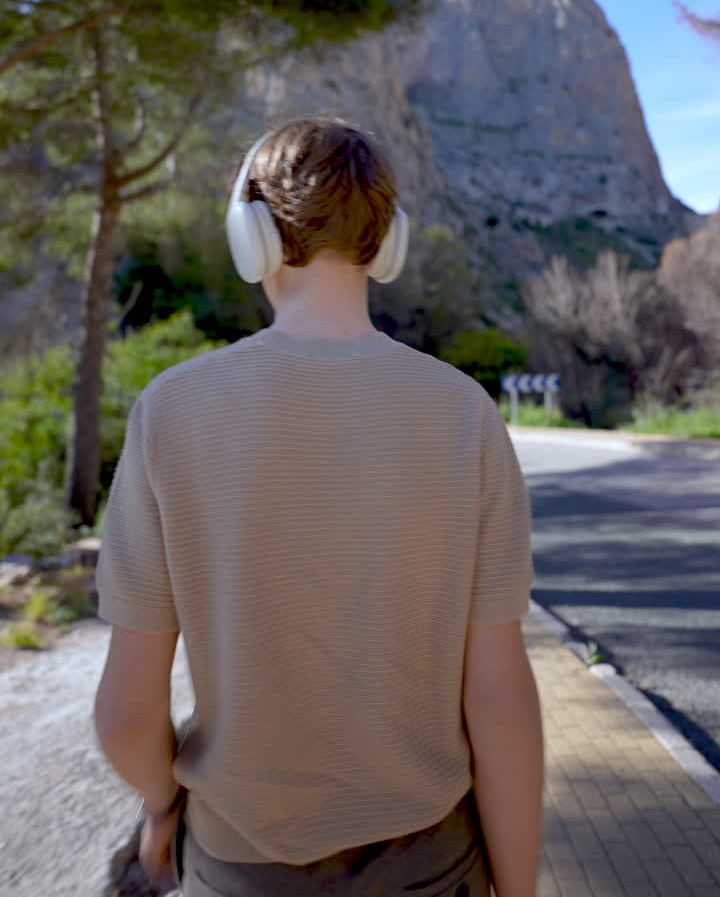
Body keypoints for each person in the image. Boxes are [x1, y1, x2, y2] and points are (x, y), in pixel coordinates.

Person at [94, 115, 544, 897]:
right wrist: (517, 888)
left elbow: (127, 715)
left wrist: (165, 807)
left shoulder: (171, 410)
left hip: (238, 866)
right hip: (433, 865)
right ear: (386, 241)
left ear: (250, 235)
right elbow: (500, 699)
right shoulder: (464, 413)